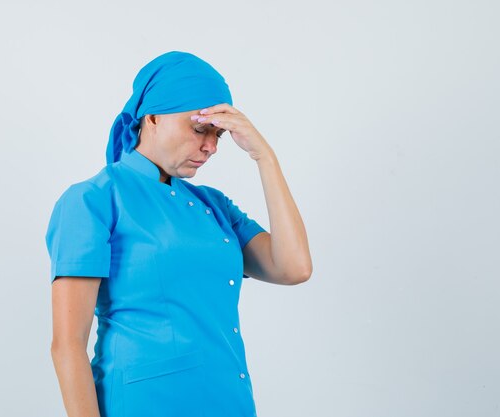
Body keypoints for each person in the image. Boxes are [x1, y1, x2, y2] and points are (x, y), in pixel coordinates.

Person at [45, 50, 312, 417]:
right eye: (200, 128)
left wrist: (264, 157)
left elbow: (293, 267)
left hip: (228, 401)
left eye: (219, 134)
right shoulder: (93, 200)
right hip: (144, 405)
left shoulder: (214, 207)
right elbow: (67, 346)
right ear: (151, 117)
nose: (211, 146)